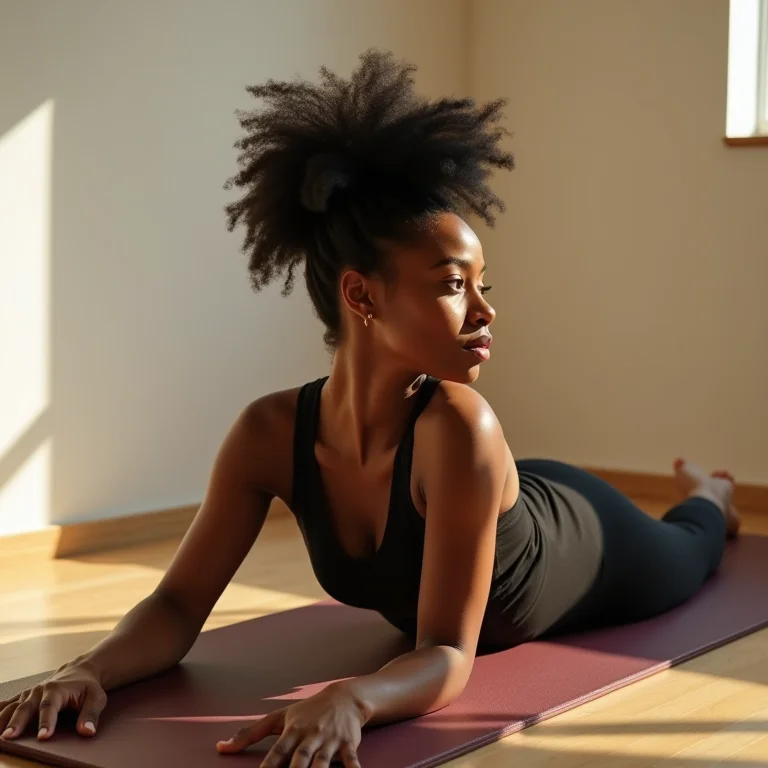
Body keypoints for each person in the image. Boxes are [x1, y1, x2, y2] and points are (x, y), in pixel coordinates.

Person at [0, 50, 740, 768]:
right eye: (454, 284)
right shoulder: (267, 434)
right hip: (504, 492)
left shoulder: (461, 427)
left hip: (588, 540)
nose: (485, 310)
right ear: (361, 295)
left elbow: (446, 652)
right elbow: (174, 607)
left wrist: (354, 699)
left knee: (692, 550)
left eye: (483, 284)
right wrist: (87, 669)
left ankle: (712, 496)